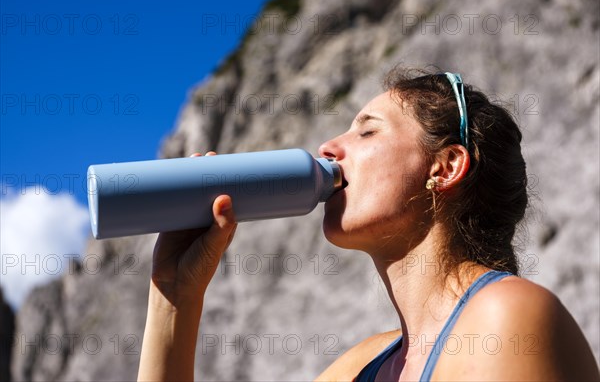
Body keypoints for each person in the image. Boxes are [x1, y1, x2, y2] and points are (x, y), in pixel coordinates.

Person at [137, 67, 600, 381]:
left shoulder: (506, 317)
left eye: (367, 130)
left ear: (445, 167)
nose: (329, 145)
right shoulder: (362, 365)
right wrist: (175, 295)